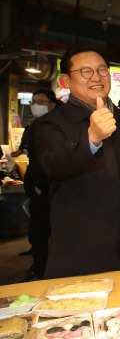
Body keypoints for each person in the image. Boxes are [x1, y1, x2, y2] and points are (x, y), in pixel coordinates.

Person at [36, 44, 120, 278]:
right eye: (86, 72)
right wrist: (92, 136)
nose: (96, 77)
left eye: (102, 70)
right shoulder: (50, 123)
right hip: (80, 249)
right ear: (66, 81)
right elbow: (52, 164)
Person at [18, 88, 60, 280]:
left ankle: (44, 266)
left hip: (50, 185)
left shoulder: (57, 125)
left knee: (48, 227)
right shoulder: (34, 125)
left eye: (40, 102)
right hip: (38, 184)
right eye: (33, 102)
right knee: (39, 227)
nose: (35, 106)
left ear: (52, 104)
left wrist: (40, 183)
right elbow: (32, 155)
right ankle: (39, 264)